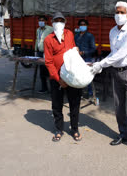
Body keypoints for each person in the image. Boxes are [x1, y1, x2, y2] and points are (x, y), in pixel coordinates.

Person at [91, 1, 127, 159]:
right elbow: (113, 53)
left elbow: (122, 54)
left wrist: (101, 64)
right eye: (117, 12)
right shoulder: (112, 32)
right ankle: (124, 135)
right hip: (116, 72)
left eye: (122, 12)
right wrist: (101, 65)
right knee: (119, 106)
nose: (119, 15)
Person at [44, 12, 82, 142]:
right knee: (57, 104)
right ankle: (59, 129)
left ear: (65, 22)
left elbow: (72, 53)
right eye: (56, 20)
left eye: (61, 20)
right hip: (57, 78)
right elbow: (48, 62)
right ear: (52, 23)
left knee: (74, 103)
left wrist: (76, 49)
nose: (59, 23)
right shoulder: (48, 39)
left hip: (71, 76)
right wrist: (58, 79)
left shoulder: (69, 34)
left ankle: (75, 128)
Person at [74, 19, 96, 98]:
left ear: (87, 26)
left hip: (87, 58)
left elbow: (93, 48)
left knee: (87, 76)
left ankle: (90, 93)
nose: (82, 26)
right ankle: (79, 92)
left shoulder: (90, 36)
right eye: (81, 25)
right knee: (77, 76)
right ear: (79, 26)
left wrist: (83, 52)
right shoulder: (76, 36)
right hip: (77, 59)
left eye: (84, 25)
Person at [35, 15, 53, 93]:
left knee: (50, 71)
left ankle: (53, 89)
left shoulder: (50, 29)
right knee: (42, 71)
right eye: (40, 20)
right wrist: (35, 50)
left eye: (43, 20)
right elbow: (37, 40)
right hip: (40, 52)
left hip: (48, 52)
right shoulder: (38, 30)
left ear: (46, 22)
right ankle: (44, 88)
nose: (41, 22)